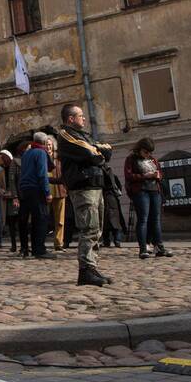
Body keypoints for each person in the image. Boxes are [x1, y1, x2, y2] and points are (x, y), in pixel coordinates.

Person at [57, 104, 113, 287]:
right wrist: (96, 151)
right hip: (83, 187)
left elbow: (107, 149)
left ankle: (92, 267)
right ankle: (85, 270)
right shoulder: (65, 134)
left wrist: (96, 151)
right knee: (88, 228)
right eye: (80, 115)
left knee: (97, 229)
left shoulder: (85, 135)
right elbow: (88, 151)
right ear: (70, 118)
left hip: (95, 184)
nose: (84, 119)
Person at [123, 138, 172, 258]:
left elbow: (160, 173)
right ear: (139, 149)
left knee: (156, 219)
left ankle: (159, 247)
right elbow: (128, 176)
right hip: (141, 191)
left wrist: (158, 175)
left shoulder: (153, 160)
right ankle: (143, 248)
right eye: (146, 152)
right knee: (143, 219)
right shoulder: (131, 159)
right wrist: (144, 175)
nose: (148, 154)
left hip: (155, 190)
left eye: (150, 152)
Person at [18, 135, 53, 260]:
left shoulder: (27, 153)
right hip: (36, 189)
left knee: (32, 220)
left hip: (25, 188)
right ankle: (39, 249)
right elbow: (42, 173)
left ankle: (32, 247)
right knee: (41, 219)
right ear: (44, 142)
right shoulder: (40, 152)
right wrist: (47, 192)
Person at [47, 139, 68, 251]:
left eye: (50, 145)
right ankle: (40, 242)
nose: (48, 147)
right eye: (46, 145)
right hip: (45, 191)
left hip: (59, 190)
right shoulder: (42, 157)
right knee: (44, 218)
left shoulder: (58, 158)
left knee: (60, 219)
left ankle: (58, 243)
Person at [0, 150, 21, 252]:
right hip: (7, 199)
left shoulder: (16, 167)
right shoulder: (2, 170)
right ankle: (13, 244)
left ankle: (22, 243)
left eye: (3, 157)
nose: (2, 159)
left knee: (20, 221)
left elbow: (17, 181)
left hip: (17, 197)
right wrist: (3, 192)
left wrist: (14, 194)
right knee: (11, 223)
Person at [101, 163, 125, 249]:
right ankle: (113, 241)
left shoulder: (108, 175)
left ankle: (114, 240)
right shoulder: (111, 175)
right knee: (110, 221)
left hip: (108, 198)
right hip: (109, 198)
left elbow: (118, 186)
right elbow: (119, 187)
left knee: (110, 221)